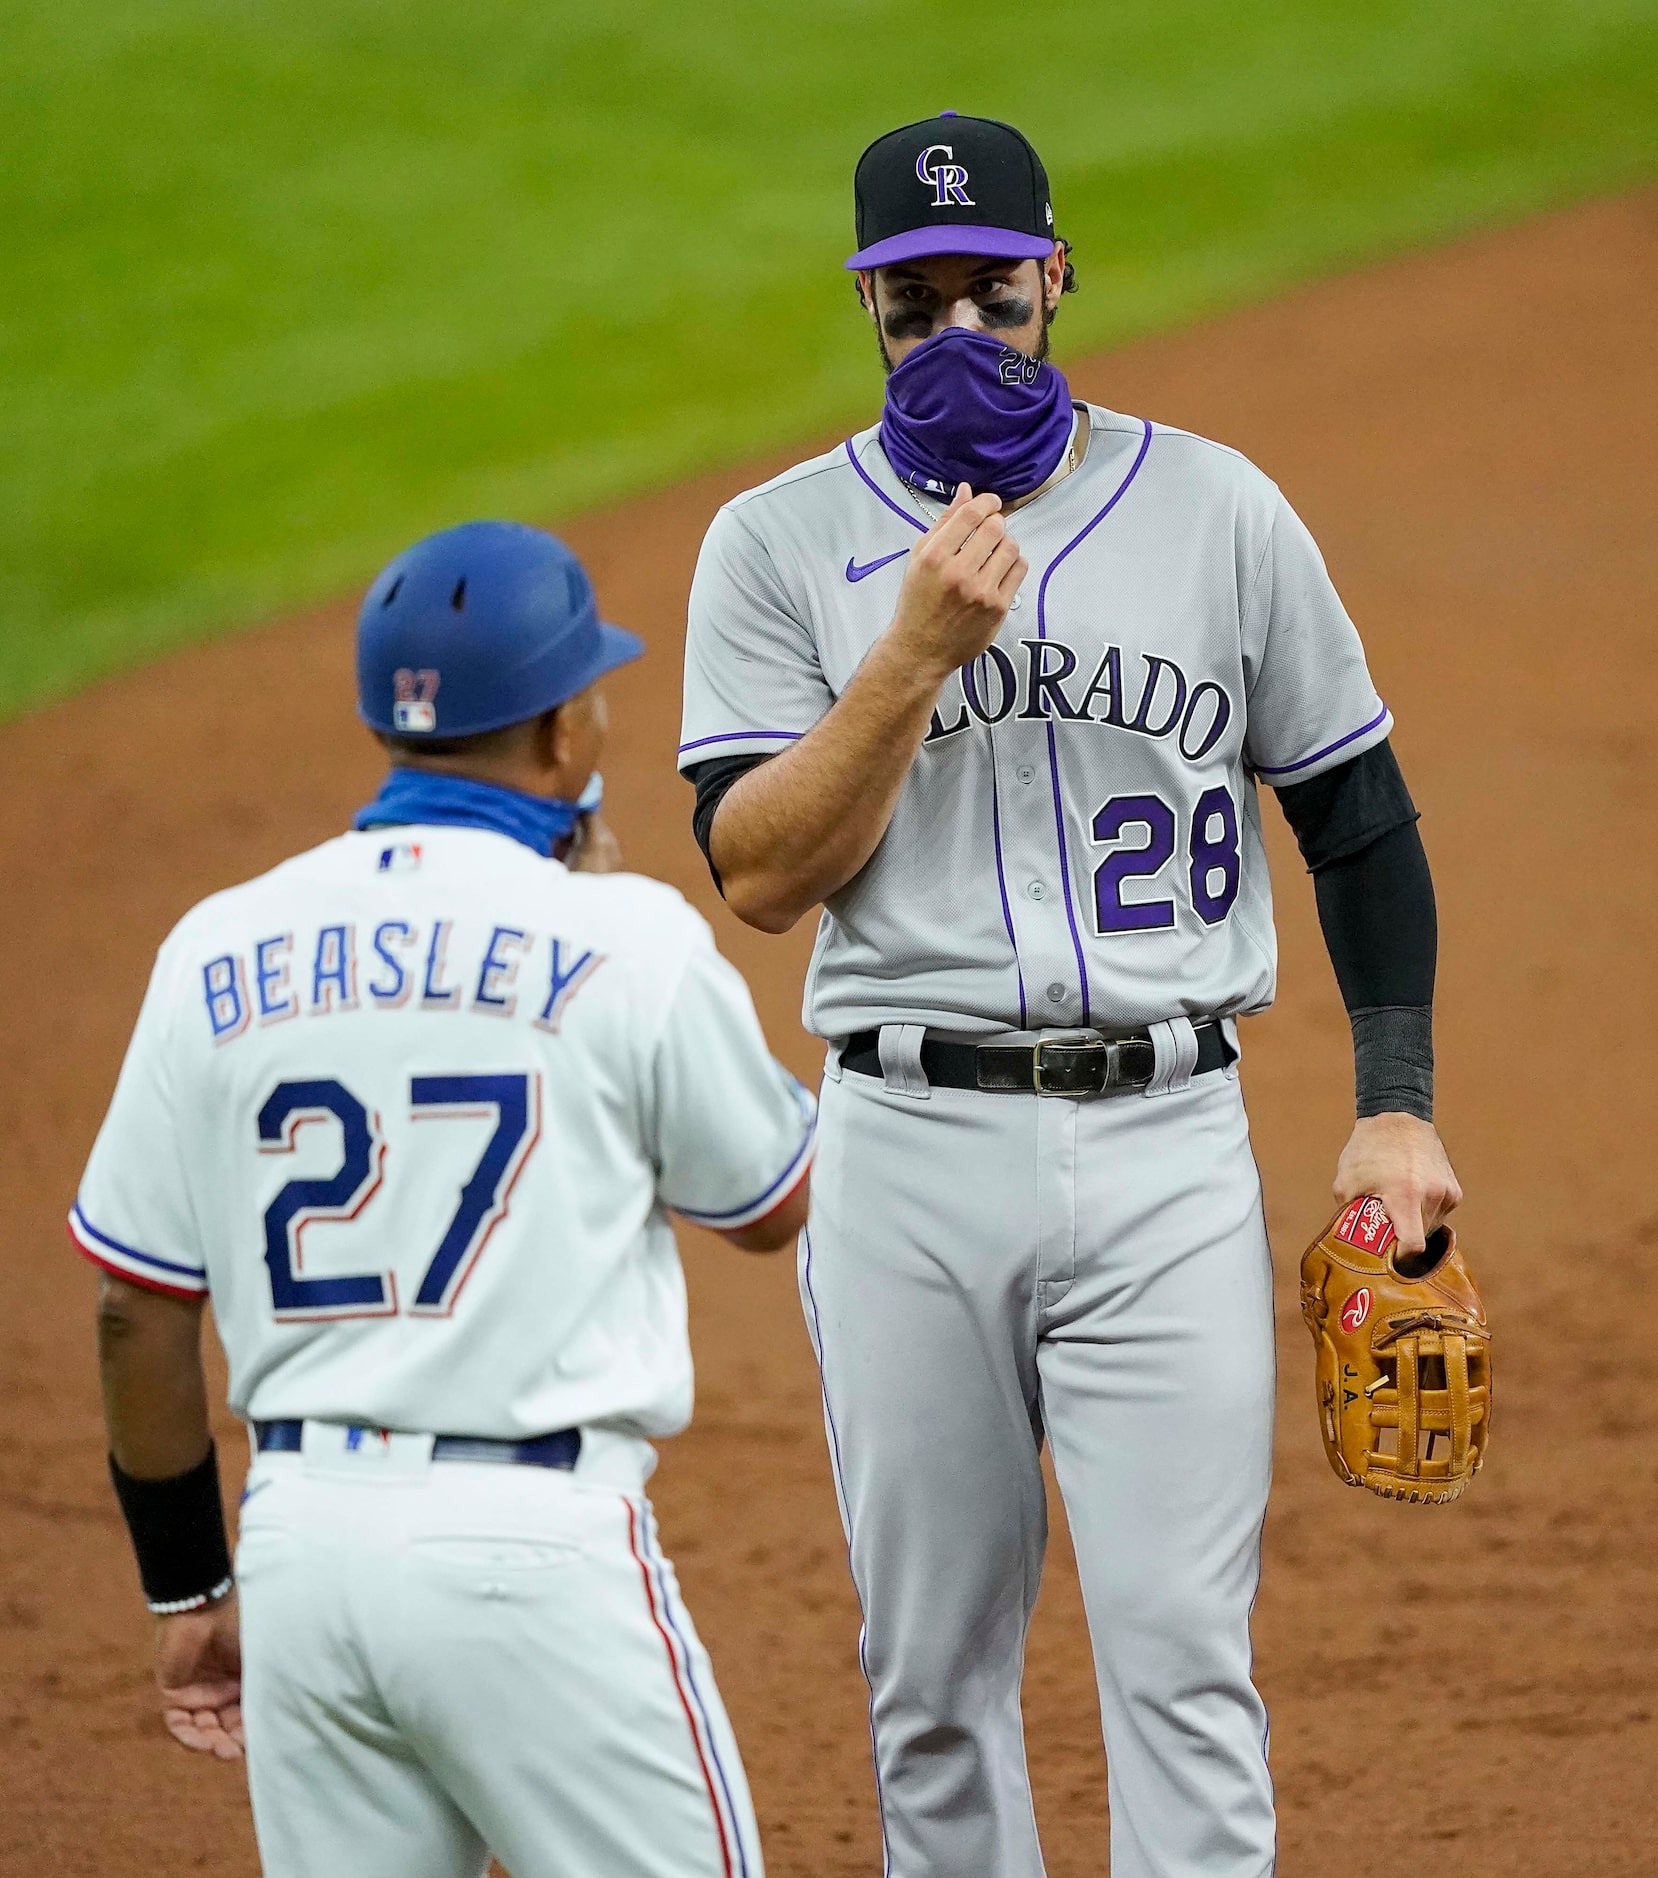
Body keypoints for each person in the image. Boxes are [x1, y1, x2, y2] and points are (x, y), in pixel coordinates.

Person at [678, 112, 1460, 1876]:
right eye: (913, 303)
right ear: (868, 310)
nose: (958, 335)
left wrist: (1394, 1098)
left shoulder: (1215, 508)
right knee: (930, 1673)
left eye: (991, 294)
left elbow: (1359, 818)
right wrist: (908, 657)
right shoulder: (777, 543)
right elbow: (757, 870)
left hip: (1166, 1146)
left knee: (1182, 1662)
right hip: (905, 1150)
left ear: (1056, 276)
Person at [74, 518, 812, 1878]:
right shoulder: (625, 936)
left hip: (299, 1549)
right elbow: (767, 1199)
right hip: (534, 1559)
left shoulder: (214, 944)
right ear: (561, 733)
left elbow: (137, 1311)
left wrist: (188, 1589)